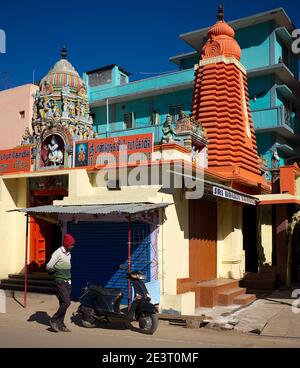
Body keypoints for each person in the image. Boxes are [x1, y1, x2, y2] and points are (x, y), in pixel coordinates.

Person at [46, 234, 76, 332]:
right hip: (60, 281)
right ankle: (54, 319)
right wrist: (56, 274)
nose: (73, 246)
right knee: (67, 302)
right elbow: (49, 266)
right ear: (67, 244)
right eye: (72, 244)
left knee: (63, 303)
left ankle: (61, 324)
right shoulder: (58, 253)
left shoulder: (68, 253)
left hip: (68, 281)